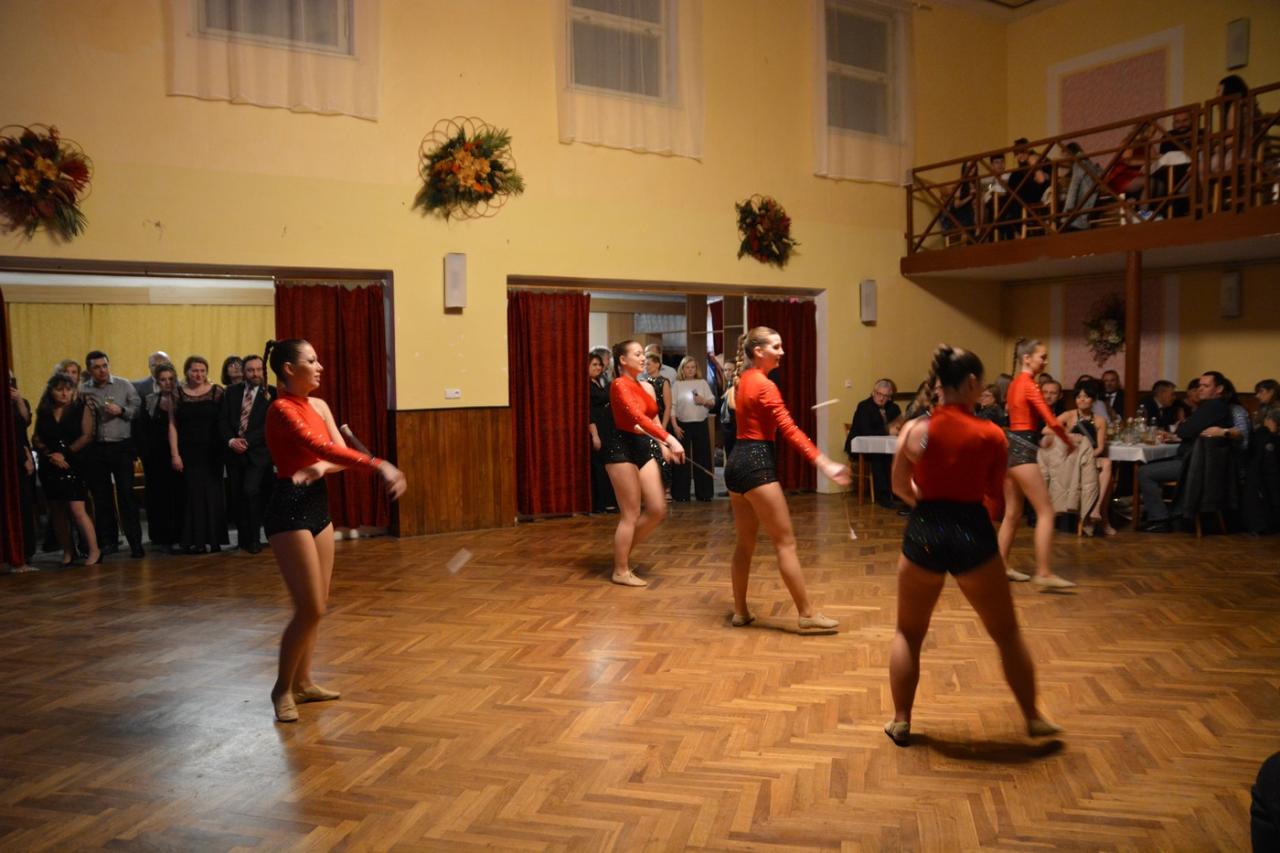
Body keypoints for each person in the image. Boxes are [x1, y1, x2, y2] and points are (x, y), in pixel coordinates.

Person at [884, 344, 1060, 746]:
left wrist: (926, 502)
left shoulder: (915, 430)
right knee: (1007, 633)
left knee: (908, 633)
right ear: (970, 383)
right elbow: (994, 496)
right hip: (971, 531)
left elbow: (898, 486)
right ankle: (1033, 718)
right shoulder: (991, 434)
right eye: (980, 384)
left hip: (925, 529)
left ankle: (901, 721)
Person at [261, 338, 406, 724]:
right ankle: (281, 689)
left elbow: (335, 458)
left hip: (317, 505)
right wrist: (379, 464)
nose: (320, 366)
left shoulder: (320, 406)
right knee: (310, 607)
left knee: (317, 606)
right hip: (288, 508)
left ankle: (304, 682)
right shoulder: (280, 409)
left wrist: (320, 468)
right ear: (289, 369)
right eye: (311, 360)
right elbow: (322, 447)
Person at [726, 327, 851, 631]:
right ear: (759, 351)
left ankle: (741, 612)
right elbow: (790, 430)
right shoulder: (764, 384)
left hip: (736, 463)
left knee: (745, 543)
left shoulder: (744, 379)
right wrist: (825, 464)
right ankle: (806, 614)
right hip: (756, 464)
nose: (782, 352)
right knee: (785, 543)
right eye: (776, 347)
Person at [602, 340, 686, 587]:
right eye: (637, 354)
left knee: (657, 508)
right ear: (622, 360)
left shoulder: (646, 386)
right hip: (620, 448)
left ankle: (622, 553)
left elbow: (653, 418)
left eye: (644, 355)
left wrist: (664, 445)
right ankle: (620, 570)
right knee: (631, 513)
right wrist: (670, 438)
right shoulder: (619, 384)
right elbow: (636, 417)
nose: (643, 358)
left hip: (642, 445)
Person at [998, 339, 1075, 588]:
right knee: (1046, 512)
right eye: (1042, 356)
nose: (1046, 361)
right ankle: (1043, 572)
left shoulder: (1014, 384)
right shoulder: (1028, 384)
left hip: (1012, 448)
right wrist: (1068, 442)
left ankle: (1000, 567)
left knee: (1012, 513)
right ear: (1027, 358)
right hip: (1023, 452)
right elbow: (1051, 420)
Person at [1137, 371, 1235, 532]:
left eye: (1206, 386)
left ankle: (1159, 518)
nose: (1200, 389)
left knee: (1144, 472)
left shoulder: (1213, 406)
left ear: (1219, 389)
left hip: (1196, 466)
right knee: (1153, 463)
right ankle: (1165, 514)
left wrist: (1184, 428)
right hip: (1203, 463)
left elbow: (1184, 431)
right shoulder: (1216, 407)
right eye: (1199, 386)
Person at [31, 372, 101, 567]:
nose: (64, 393)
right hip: (50, 464)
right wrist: (51, 454)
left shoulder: (81, 408)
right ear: (51, 391)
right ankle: (68, 551)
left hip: (75, 462)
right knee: (57, 509)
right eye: (59, 390)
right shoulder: (45, 411)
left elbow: (86, 436)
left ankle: (94, 550)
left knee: (77, 508)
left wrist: (64, 454)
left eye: (68, 389)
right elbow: (36, 437)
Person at [80, 350, 145, 558]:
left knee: (126, 495)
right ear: (89, 370)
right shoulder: (83, 390)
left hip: (121, 447)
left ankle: (135, 543)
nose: (102, 370)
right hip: (96, 448)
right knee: (102, 497)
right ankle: (108, 542)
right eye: (97, 367)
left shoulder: (124, 385)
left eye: (105, 366)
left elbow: (137, 408)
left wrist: (122, 411)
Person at [169, 355, 228, 554]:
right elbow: (172, 425)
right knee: (192, 495)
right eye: (195, 370)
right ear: (187, 372)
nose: (199, 374)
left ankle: (215, 540)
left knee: (213, 494)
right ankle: (197, 541)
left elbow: (224, 422)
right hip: (188, 452)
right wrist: (175, 454)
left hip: (213, 451)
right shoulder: (177, 393)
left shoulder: (217, 392)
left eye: (202, 370)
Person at [219, 354, 275, 553]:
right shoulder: (231, 392)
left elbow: (269, 424)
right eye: (250, 370)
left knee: (250, 492)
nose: (255, 374)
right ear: (243, 372)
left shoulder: (272, 393)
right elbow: (222, 420)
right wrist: (231, 440)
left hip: (259, 453)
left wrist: (247, 441)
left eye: (258, 370)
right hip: (234, 454)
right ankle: (243, 539)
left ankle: (254, 539)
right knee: (237, 496)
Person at [1059, 382, 1113, 536]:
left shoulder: (1099, 420)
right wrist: (1068, 434)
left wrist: (1087, 457)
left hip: (1089, 457)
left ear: (1093, 400)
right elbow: (1046, 429)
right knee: (1107, 479)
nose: (1082, 400)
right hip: (1071, 459)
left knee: (1107, 463)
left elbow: (1100, 448)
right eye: (1078, 397)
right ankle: (1102, 521)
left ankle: (1095, 509)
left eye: (1086, 396)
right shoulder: (1069, 415)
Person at [140, 362, 183, 553]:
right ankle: (161, 535)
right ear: (157, 382)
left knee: (178, 494)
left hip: (179, 453)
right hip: (155, 456)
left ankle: (179, 534)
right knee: (158, 496)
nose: (167, 383)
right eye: (163, 380)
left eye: (171, 379)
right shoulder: (150, 400)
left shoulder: (183, 398)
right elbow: (143, 428)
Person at [846, 379, 902, 507]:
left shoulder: (893, 407)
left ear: (890, 396)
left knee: (900, 456)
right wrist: (888, 431)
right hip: (861, 447)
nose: (881, 398)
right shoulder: (864, 406)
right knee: (879, 456)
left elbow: (899, 426)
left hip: (887, 447)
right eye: (879, 394)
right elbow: (866, 431)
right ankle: (883, 496)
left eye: (885, 396)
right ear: (873, 392)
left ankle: (898, 492)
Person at [671, 356, 715, 502]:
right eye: (687, 367)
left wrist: (704, 401)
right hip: (682, 425)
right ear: (682, 369)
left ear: (696, 369)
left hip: (700, 424)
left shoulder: (702, 383)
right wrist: (675, 426)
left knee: (703, 458)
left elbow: (712, 403)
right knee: (682, 459)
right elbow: (672, 407)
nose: (690, 370)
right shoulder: (677, 385)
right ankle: (681, 494)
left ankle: (704, 493)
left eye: (693, 367)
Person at [586, 351, 617, 514]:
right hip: (596, 430)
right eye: (594, 364)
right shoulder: (587, 385)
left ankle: (607, 502)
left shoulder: (597, 382)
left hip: (606, 429)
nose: (598, 367)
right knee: (599, 468)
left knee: (605, 467)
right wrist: (595, 435)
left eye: (599, 364)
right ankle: (600, 504)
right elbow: (589, 413)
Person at [10, 373, 36, 564]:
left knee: (25, 503)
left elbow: (25, 422)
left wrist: (18, 400)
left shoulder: (20, 402)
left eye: (11, 380)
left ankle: (26, 551)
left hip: (22, 457)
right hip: (13, 455)